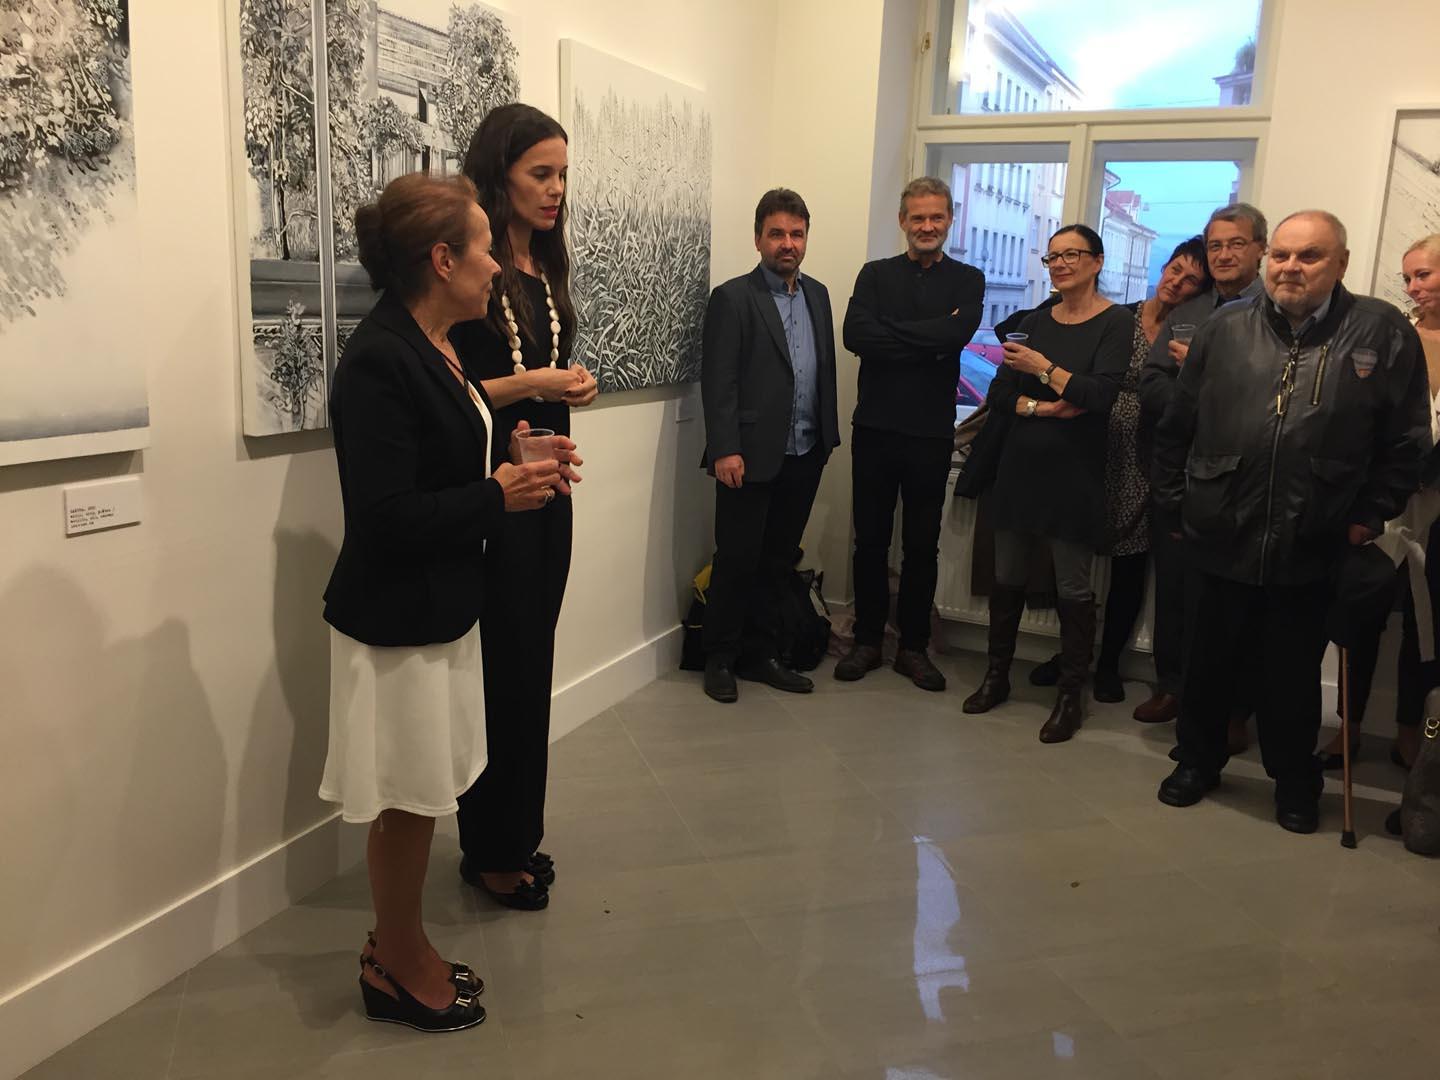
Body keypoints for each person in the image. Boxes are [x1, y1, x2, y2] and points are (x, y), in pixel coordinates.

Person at [320, 173, 568, 1030]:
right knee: (404, 799)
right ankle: (393, 962)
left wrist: (517, 461)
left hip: (439, 608)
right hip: (397, 620)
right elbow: (385, 516)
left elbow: (443, 455)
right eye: (483, 248)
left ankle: (401, 945)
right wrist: (499, 495)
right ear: (441, 259)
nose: (497, 264)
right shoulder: (381, 360)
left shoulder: (432, 344)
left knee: (424, 791)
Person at [1153, 210, 1430, 834]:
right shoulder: (1226, 326)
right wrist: (1174, 506)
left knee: (1291, 674)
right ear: (1267, 259)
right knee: (1207, 665)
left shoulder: (1381, 331)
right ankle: (1197, 761)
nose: (1290, 268)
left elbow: (1406, 442)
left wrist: (1367, 517)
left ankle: (1294, 782)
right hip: (1221, 528)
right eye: (1281, 255)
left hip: (1314, 536)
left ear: (1341, 263)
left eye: (1309, 256)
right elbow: (1177, 425)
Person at [452, 104, 598, 911]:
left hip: (548, 487)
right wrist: (540, 383)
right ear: (498, 175)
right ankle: (491, 848)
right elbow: (453, 390)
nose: (555, 189)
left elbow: (540, 370)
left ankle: (514, 836)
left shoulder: (544, 264)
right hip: (497, 493)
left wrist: (570, 385)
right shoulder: (473, 271)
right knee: (503, 670)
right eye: (540, 173)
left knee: (531, 663)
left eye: (562, 174)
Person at [961, 224, 1131, 743]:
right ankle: (996, 677)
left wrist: (1043, 368)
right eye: (1052, 256)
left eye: (1071, 255)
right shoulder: (1033, 321)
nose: (1059, 264)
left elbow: (1100, 396)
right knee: (1007, 577)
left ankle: (1070, 697)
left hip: (1075, 476)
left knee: (1073, 589)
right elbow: (1000, 393)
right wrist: (1048, 406)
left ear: (1096, 261)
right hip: (1018, 470)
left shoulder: (1116, 323)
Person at [1030, 239, 1210, 700]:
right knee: (1073, 559)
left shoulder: (1191, 336)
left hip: (1145, 457)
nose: (1177, 282)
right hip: (1089, 442)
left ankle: (1109, 663)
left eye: (1191, 279)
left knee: (1129, 566)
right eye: (1174, 269)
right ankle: (1070, 656)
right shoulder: (1117, 316)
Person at [836, 176, 985, 690]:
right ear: (902, 221)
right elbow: (855, 335)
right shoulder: (875, 274)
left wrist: (894, 333)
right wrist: (931, 342)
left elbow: (956, 333)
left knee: (923, 548)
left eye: (936, 217)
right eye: (917, 217)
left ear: (950, 220)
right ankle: (868, 641)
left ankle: (914, 648)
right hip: (874, 429)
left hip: (930, 434)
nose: (927, 225)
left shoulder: (967, 280)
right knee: (870, 543)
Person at [700, 188, 840, 703]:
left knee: (778, 561)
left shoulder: (818, 295)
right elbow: (719, 380)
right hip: (747, 454)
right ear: (758, 238)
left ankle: (761, 654)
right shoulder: (734, 298)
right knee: (737, 558)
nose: (788, 243)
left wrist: (826, 437)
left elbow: (822, 368)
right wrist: (724, 448)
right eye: (777, 233)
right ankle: (719, 657)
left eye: (796, 234)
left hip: (805, 451)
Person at [1135, 203, 1269, 734]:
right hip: (1181, 479)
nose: (1224, 254)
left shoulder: (1278, 314)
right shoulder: (1188, 311)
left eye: (1236, 244)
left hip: (1248, 486)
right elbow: (1151, 385)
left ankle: (1233, 710)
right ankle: (1172, 686)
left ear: (1260, 249)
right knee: (1174, 592)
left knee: (1237, 605)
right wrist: (1200, 393)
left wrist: (1202, 374)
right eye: (1215, 245)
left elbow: (1268, 402)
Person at [1317, 233, 1440, 770]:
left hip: (1438, 510)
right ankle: (1348, 729)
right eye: (1407, 277)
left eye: (1424, 275)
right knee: (1360, 616)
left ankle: (1413, 731)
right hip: (1385, 504)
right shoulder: (1397, 339)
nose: (1412, 287)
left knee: (1425, 629)